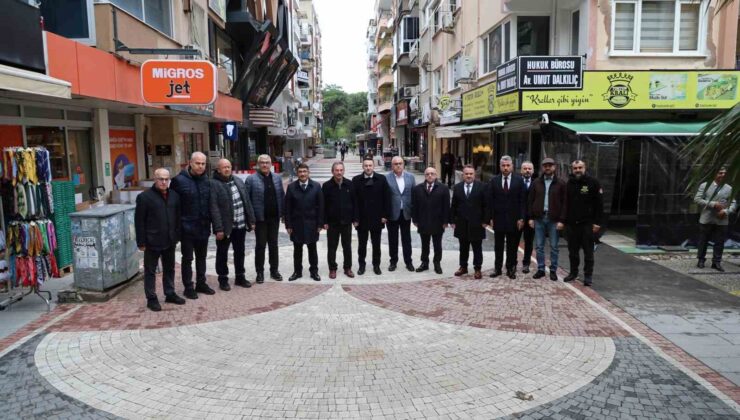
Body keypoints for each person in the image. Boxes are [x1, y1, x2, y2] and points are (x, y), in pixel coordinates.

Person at [135, 168, 185, 311]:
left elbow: (177, 217)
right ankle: (151, 298)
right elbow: (139, 221)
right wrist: (141, 242)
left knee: (169, 268)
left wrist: (177, 235)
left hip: (170, 240)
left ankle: (170, 293)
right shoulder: (144, 198)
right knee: (150, 271)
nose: (164, 182)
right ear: (155, 179)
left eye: (166, 179)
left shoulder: (175, 196)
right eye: (161, 179)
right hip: (152, 241)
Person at [170, 152, 215, 299]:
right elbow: (173, 207)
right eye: (198, 163)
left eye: (203, 164)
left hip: (203, 226)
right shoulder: (178, 181)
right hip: (187, 228)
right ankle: (188, 287)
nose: (201, 166)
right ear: (190, 163)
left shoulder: (207, 180)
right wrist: (177, 228)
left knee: (202, 257)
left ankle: (201, 283)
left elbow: (210, 204)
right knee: (187, 258)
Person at [210, 159, 256, 291]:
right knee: (222, 253)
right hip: (225, 228)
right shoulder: (213, 184)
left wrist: (251, 220)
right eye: (224, 167)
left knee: (240, 252)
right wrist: (218, 229)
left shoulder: (238, 180)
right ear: (218, 169)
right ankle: (223, 279)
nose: (227, 169)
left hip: (240, 225)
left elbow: (247, 201)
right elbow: (214, 208)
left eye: (229, 167)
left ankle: (240, 277)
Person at [245, 154, 285, 283]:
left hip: (274, 218)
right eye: (262, 162)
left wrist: (283, 214)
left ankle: (274, 271)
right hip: (260, 219)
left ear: (271, 164)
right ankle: (260, 272)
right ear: (258, 164)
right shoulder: (251, 179)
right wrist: (251, 220)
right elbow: (247, 201)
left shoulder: (277, 178)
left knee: (274, 245)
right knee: (260, 245)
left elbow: (281, 196)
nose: (264, 165)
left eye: (267, 162)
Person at [564, 160, 604, 286]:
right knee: (573, 252)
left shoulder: (593, 183)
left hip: (587, 224)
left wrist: (597, 223)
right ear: (572, 169)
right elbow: (566, 204)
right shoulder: (569, 183)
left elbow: (599, 204)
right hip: (572, 224)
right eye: (575, 168)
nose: (578, 170)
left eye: (580, 167)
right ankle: (573, 273)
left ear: (585, 168)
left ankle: (588, 276)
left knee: (588, 252)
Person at [527, 158, 567, 281]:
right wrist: (530, 218)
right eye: (545, 166)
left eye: (550, 165)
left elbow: (565, 203)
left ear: (554, 167)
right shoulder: (536, 183)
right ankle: (540, 269)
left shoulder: (561, 183)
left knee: (554, 246)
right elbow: (530, 201)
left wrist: (562, 220)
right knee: (539, 246)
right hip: (539, 218)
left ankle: (553, 270)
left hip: (554, 219)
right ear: (542, 168)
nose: (547, 168)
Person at [487, 155, 526, 280]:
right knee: (498, 246)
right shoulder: (494, 181)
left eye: (508, 165)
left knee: (512, 246)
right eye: (503, 166)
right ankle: (497, 269)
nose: (505, 168)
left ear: (512, 167)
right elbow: (490, 201)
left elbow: (522, 201)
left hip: (514, 220)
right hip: (498, 219)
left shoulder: (519, 181)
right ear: (500, 166)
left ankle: (511, 268)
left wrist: (521, 218)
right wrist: (491, 218)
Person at [285, 163, 324, 281]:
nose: (302, 174)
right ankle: (297, 272)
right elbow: (287, 208)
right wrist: (288, 225)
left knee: (312, 249)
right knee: (297, 250)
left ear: (308, 173)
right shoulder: (291, 187)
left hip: (312, 224)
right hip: (296, 225)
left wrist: (320, 224)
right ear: (297, 173)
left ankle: (314, 271)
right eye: (300, 172)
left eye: (304, 171)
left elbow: (321, 207)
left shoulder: (316, 186)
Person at [352, 156, 390, 275]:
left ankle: (376, 265)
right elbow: (354, 201)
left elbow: (386, 198)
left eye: (370, 165)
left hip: (377, 218)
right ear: (363, 167)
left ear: (373, 166)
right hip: (362, 219)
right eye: (366, 166)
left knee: (376, 244)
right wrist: (355, 218)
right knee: (362, 245)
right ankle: (361, 265)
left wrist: (384, 215)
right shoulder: (356, 180)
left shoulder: (381, 179)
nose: (368, 168)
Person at [694, 167, 736, 272]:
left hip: (722, 219)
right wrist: (713, 204)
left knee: (720, 242)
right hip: (707, 218)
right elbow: (697, 199)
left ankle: (716, 262)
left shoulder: (729, 188)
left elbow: (734, 203)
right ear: (714, 174)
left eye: (724, 173)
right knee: (703, 240)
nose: (722, 175)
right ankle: (701, 260)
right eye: (720, 173)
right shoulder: (705, 185)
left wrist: (726, 211)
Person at [450, 165, 488, 279]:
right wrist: (452, 220)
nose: (469, 176)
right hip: (461, 223)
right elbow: (454, 206)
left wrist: (485, 221)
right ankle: (463, 267)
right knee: (463, 247)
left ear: (474, 175)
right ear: (463, 175)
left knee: (477, 247)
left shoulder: (482, 187)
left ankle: (477, 269)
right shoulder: (457, 187)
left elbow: (486, 206)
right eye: (466, 174)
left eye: (471, 174)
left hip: (477, 223)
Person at [412, 167, 450, 274]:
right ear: (425, 175)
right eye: (427, 174)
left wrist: (445, 221)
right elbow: (414, 206)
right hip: (423, 222)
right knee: (425, 245)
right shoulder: (417, 189)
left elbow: (446, 206)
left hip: (438, 222)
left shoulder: (443, 188)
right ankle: (424, 263)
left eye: (432, 173)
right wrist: (415, 219)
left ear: (436, 175)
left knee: (437, 245)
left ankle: (437, 263)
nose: (430, 175)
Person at [322, 162, 356, 279]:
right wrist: (324, 221)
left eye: (341, 170)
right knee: (332, 247)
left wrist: (355, 219)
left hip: (346, 222)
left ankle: (348, 268)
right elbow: (323, 206)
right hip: (332, 223)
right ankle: (332, 269)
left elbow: (354, 203)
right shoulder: (326, 186)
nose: (339, 172)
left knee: (347, 246)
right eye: (337, 170)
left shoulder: (350, 184)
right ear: (332, 172)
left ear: (344, 171)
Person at [386, 156, 416, 272]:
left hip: (406, 213)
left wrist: (414, 213)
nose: (398, 165)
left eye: (400, 163)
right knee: (392, 239)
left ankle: (408, 262)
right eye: (395, 164)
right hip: (392, 213)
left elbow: (414, 196)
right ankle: (393, 262)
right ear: (392, 165)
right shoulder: (386, 178)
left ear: (403, 164)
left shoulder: (411, 177)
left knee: (406, 239)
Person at [518, 161, 536, 273]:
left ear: (533, 171)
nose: (527, 170)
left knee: (528, 243)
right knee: (513, 241)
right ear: (521, 170)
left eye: (529, 168)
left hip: (530, 219)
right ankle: (512, 262)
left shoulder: (537, 183)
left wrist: (532, 218)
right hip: (518, 218)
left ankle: (526, 264)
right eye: (525, 168)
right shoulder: (515, 182)